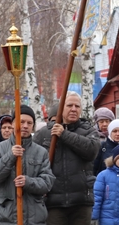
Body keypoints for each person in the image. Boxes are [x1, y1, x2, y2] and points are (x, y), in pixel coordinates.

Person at [33, 91, 100, 225]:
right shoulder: (44, 134)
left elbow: (91, 151)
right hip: (53, 201)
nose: (74, 109)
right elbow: (33, 162)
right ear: (61, 108)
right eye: (69, 105)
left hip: (81, 201)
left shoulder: (89, 130)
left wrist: (64, 134)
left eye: (77, 106)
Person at [0, 106, 55, 225]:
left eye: (29, 123)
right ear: (13, 123)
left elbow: (47, 182)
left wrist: (28, 182)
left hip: (34, 219)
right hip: (6, 219)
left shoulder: (41, 152)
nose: (25, 126)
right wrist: (10, 156)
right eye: (21, 121)